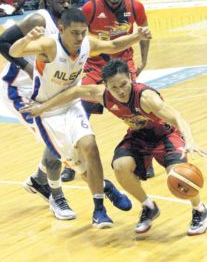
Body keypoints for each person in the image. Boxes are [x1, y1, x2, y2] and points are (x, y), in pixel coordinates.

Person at [22, 58, 207, 236]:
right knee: (120, 167)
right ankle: (148, 207)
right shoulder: (102, 94)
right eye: (114, 87)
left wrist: (190, 140)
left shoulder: (146, 97)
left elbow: (177, 116)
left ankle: (199, 209)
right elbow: (74, 92)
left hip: (165, 135)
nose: (120, 91)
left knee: (180, 175)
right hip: (138, 136)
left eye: (124, 84)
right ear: (106, 85)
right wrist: (43, 107)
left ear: (130, 78)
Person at [0, 0, 133, 223]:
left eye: (69, 1)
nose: (65, 5)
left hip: (53, 89)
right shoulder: (40, 20)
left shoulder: (74, 29)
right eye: (61, 2)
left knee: (66, 143)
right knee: (55, 144)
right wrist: (28, 69)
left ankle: (41, 179)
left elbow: (109, 44)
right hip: (21, 90)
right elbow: (4, 42)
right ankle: (56, 194)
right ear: (49, 2)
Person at [61, 0, 153, 181]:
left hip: (122, 64)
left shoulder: (135, 6)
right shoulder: (90, 7)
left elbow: (145, 34)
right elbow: (76, 33)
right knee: (79, 111)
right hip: (95, 64)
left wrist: (144, 60)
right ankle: (72, 161)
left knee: (136, 111)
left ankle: (144, 159)